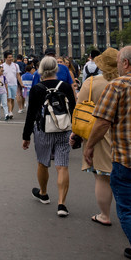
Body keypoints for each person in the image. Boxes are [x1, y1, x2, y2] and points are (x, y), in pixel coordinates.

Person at [84, 46, 131, 260]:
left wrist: (89, 146)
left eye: (120, 62)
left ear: (126, 63)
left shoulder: (118, 85)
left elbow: (102, 122)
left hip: (128, 159)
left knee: (129, 212)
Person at [22, 56, 77, 217]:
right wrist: (76, 132)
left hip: (43, 130)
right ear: (56, 69)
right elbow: (73, 109)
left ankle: (44, 193)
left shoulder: (37, 88)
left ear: (40, 70)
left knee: (42, 163)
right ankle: (62, 204)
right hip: (64, 129)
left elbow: (31, 114)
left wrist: (26, 136)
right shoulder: (65, 86)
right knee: (62, 166)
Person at [72, 47, 119, 227]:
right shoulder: (128, 82)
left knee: (102, 176)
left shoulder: (91, 83)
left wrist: (75, 133)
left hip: (99, 133)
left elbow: (79, 108)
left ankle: (104, 215)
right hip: (126, 132)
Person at [2, 51, 22, 119]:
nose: (11, 58)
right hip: (6, 85)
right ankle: (9, 112)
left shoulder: (16, 66)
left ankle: (10, 111)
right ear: (5, 58)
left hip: (14, 84)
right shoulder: (2, 66)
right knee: (9, 99)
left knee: (12, 99)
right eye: (9, 57)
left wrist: (21, 84)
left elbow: (18, 75)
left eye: (11, 57)